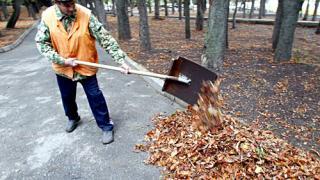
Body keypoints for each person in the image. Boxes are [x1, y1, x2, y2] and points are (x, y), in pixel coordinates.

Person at [35, 0, 130, 144]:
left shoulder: (85, 14)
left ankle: (106, 126)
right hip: (63, 68)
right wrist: (61, 60)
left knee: (95, 96)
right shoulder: (48, 16)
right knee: (67, 97)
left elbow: (105, 39)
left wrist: (121, 61)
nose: (72, 8)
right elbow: (42, 43)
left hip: (86, 67)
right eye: (67, 5)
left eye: (73, 3)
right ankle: (73, 118)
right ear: (57, 3)